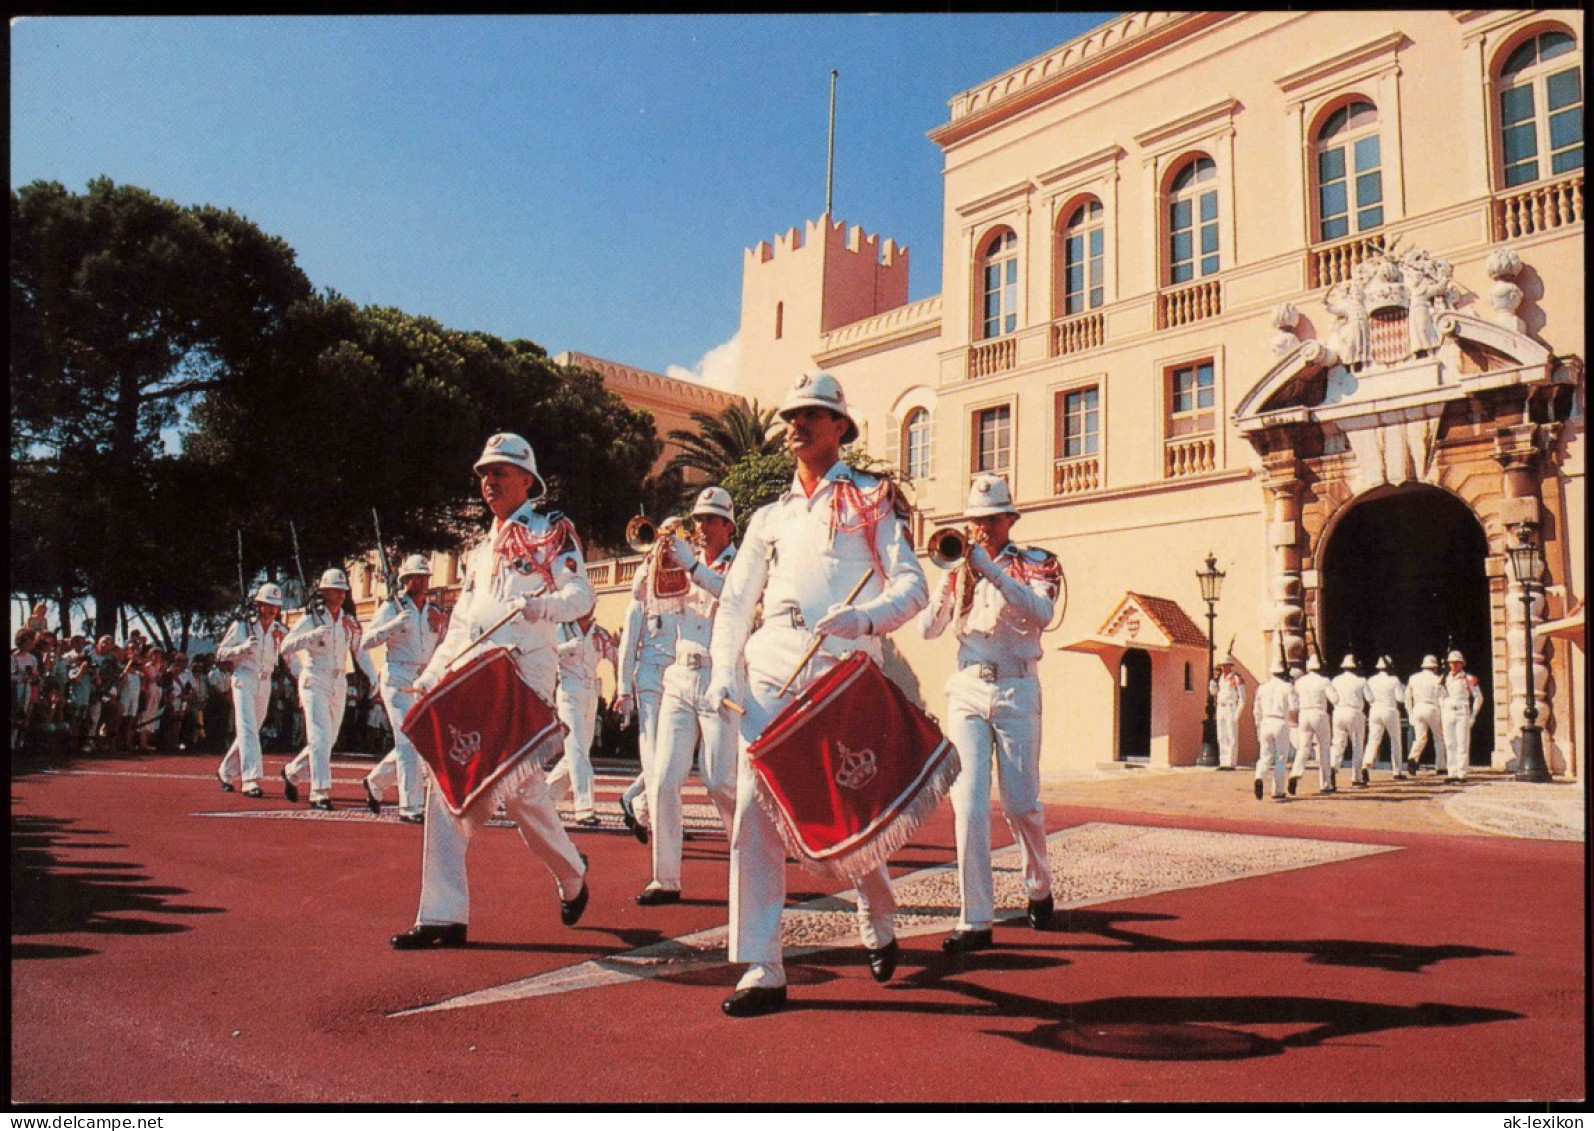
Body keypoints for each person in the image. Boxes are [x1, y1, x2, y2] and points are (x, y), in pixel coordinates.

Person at [705, 370, 929, 1017]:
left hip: (841, 674)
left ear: (840, 427)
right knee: (755, 809)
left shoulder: (871, 499)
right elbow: (734, 604)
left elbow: (912, 587)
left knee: (847, 810)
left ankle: (878, 908)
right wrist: (726, 670)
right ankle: (763, 964)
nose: (797, 424)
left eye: (812, 414)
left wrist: (864, 620)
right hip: (770, 668)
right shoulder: (769, 516)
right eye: (791, 415)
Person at [390, 432, 593, 950]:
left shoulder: (551, 532)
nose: (489, 480)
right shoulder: (479, 552)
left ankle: (569, 873)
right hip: (476, 676)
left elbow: (580, 596)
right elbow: (460, 625)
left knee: (517, 790)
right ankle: (444, 914)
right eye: (484, 472)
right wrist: (432, 675)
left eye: (500, 471)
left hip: (523, 674)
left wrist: (542, 607)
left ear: (528, 480)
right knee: (460, 782)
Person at [920, 473, 1059, 956]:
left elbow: (1041, 613)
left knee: (1022, 805)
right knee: (969, 804)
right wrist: (945, 583)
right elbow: (928, 631)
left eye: (989, 521)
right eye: (974, 522)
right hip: (966, 687)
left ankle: (1038, 885)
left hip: (1017, 686)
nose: (980, 531)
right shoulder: (959, 567)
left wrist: (993, 572)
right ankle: (975, 918)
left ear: (1009, 520)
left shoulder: (1036, 564)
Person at [638, 486, 742, 906]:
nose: (699, 527)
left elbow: (736, 601)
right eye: (697, 519)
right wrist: (657, 567)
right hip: (680, 675)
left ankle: (749, 862)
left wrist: (693, 567)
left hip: (720, 678)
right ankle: (665, 878)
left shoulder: (738, 564)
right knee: (663, 779)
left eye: (708, 520)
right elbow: (653, 608)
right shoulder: (686, 562)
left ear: (727, 526)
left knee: (720, 781)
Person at [614, 517, 688, 846]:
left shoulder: (684, 590)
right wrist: (622, 692)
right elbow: (627, 647)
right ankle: (663, 828)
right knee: (656, 757)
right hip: (649, 679)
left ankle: (634, 799)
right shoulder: (639, 599)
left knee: (674, 758)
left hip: (679, 678)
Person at [360, 553, 447, 823]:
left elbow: (444, 643)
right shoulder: (391, 608)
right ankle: (410, 807)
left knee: (420, 741)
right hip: (397, 677)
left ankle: (375, 782)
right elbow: (366, 642)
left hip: (422, 681)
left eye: (423, 577)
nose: (420, 582)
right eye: (414, 577)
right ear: (405, 580)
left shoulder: (433, 612)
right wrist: (392, 627)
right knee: (408, 740)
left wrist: (441, 627)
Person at [281, 568, 377, 810]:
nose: (339, 595)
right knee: (320, 736)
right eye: (334, 591)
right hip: (314, 679)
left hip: (338, 681)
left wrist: (373, 676)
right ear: (324, 592)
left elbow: (360, 650)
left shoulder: (348, 622)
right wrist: (311, 636)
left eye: (342, 591)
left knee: (328, 740)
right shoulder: (311, 619)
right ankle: (320, 792)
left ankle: (292, 772)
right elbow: (286, 646)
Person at [215, 584, 288, 797]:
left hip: (265, 681)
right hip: (244, 678)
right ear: (258, 605)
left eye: (276, 605)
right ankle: (250, 779)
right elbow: (220, 653)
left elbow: (291, 651)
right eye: (268, 605)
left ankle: (226, 770)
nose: (273, 609)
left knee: (252, 730)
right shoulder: (242, 627)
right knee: (247, 728)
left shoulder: (279, 630)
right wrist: (242, 649)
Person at [548, 614, 606, 827]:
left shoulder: (596, 632)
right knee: (577, 751)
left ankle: (545, 800)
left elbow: (611, 653)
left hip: (590, 694)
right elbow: (548, 655)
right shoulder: (561, 628)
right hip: (569, 694)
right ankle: (584, 808)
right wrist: (568, 647)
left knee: (577, 753)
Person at [1289, 654, 1338, 793]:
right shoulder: (1324, 681)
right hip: (1319, 713)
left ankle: (1295, 774)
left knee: (1303, 748)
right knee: (1324, 749)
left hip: (1304, 713)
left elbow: (1293, 700)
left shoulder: (1300, 682)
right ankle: (1325, 783)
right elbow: (1335, 699)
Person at [1253, 657, 1297, 802]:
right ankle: (1277, 790)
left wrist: (1258, 724)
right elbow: (1294, 707)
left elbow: (1256, 710)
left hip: (1266, 721)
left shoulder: (1262, 687)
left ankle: (1259, 776)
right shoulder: (1287, 687)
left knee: (1265, 755)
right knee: (1281, 757)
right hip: (1280, 721)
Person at [1439, 649, 1484, 784]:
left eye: (1457, 663)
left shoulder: (1468, 678)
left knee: (1462, 743)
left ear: (1462, 664)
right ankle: (1451, 772)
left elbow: (1478, 697)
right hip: (1448, 712)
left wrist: (1473, 715)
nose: (1454, 665)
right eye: (1452, 663)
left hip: (1462, 712)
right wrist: (1443, 708)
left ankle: (1462, 773)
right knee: (1450, 743)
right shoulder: (1444, 679)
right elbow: (1440, 695)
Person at [1329, 653, 1371, 787]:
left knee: (1338, 744)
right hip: (1354, 712)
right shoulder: (1361, 681)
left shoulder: (1335, 680)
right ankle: (1356, 776)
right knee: (1357, 745)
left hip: (1339, 711)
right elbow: (1370, 698)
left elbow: (1332, 697)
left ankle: (1332, 767)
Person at [1365, 656, 1408, 781]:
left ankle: (1366, 765)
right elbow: (1400, 698)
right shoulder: (1394, 680)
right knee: (1395, 741)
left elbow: (1368, 698)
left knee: (1373, 740)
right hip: (1390, 710)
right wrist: (1403, 687)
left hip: (1375, 710)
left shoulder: (1371, 680)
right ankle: (1397, 771)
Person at [1404, 655, 1447, 776]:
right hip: (1432, 708)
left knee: (1420, 738)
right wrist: (1443, 714)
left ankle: (1413, 758)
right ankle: (1441, 766)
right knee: (1439, 738)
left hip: (1418, 708)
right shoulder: (1437, 679)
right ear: (1434, 667)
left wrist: (1410, 713)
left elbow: (1407, 697)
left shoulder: (1413, 678)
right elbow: (1441, 698)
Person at [1213, 654, 1245, 771]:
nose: (1224, 668)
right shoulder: (1220, 679)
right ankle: (1223, 762)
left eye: (1226, 665)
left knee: (1231, 736)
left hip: (1231, 708)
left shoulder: (1236, 678)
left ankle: (1231, 763)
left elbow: (1242, 697)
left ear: (1230, 666)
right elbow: (1215, 693)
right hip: (1221, 707)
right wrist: (1213, 687)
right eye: (1222, 666)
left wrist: (1237, 713)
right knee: (1221, 735)